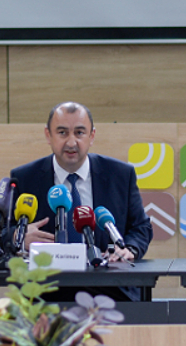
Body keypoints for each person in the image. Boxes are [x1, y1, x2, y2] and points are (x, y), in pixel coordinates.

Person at [10, 101, 153, 301]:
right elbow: (1, 234)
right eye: (62, 133)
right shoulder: (25, 178)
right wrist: (19, 238)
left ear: (91, 136)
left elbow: (141, 228)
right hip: (45, 291)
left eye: (79, 133)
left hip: (110, 288)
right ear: (48, 135)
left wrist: (129, 248)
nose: (71, 142)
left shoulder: (120, 175)